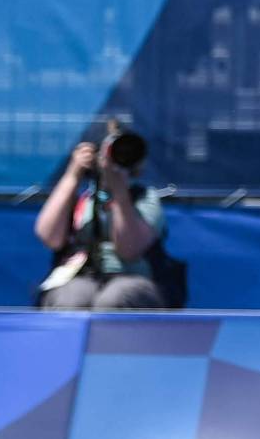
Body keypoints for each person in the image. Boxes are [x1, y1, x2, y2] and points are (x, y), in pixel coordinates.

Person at [32, 128, 176, 310]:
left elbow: (129, 250)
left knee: (114, 299)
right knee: (70, 299)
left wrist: (119, 192)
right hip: (80, 275)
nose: (117, 157)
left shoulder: (145, 198)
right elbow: (49, 237)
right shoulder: (82, 198)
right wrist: (73, 173)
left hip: (132, 277)